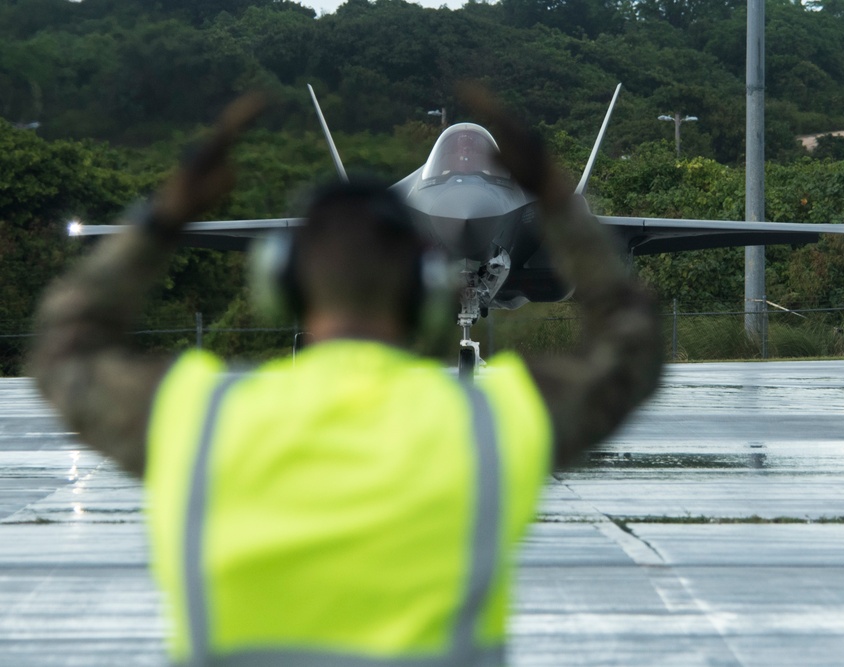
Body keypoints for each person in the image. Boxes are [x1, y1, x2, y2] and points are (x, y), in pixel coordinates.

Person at [31, 90, 664, 666]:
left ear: (289, 286)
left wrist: (163, 219)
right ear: (418, 286)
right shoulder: (494, 428)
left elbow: (64, 350)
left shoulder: (200, 417)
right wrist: (563, 209)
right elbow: (630, 355)